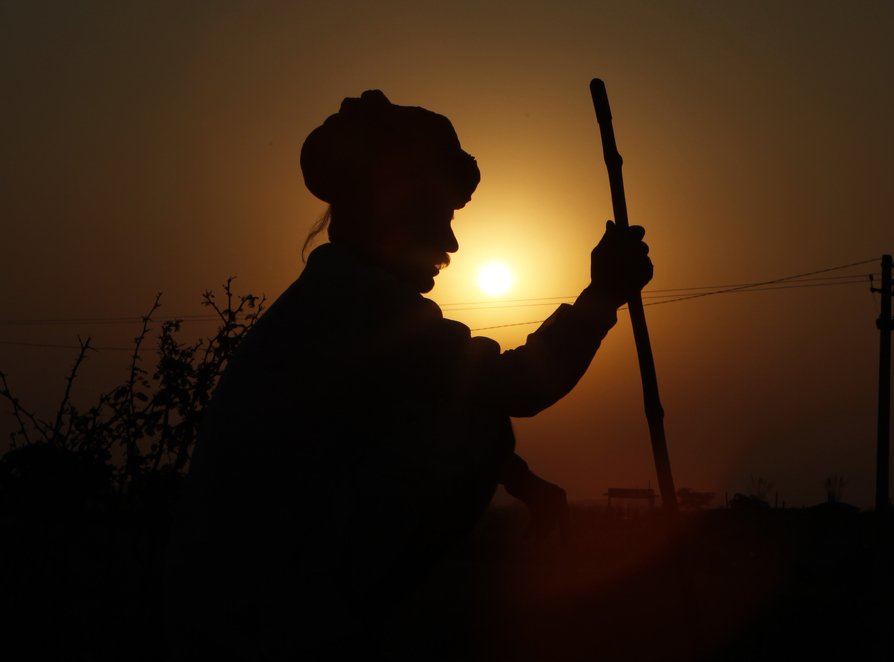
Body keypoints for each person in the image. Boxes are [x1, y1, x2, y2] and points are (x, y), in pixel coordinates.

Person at [164, 89, 653, 659]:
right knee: (483, 428)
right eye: (441, 216)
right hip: (267, 615)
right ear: (396, 211)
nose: (451, 243)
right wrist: (602, 296)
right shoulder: (359, 306)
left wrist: (521, 481)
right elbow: (514, 387)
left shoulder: (336, 299)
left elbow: (433, 400)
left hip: (233, 601)